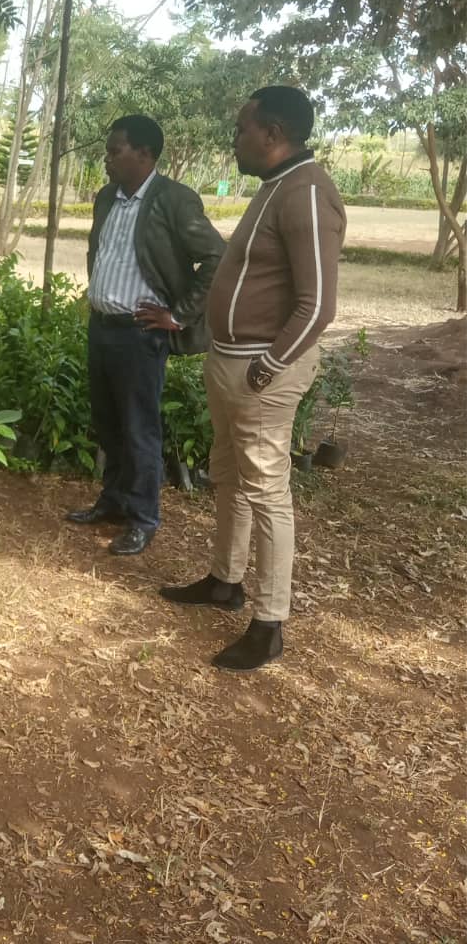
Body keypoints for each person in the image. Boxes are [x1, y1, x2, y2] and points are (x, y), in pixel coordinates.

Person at [160, 86, 346, 671]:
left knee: (266, 489)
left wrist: (270, 364)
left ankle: (269, 624)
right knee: (230, 475)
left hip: (263, 368)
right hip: (233, 361)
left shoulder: (309, 194)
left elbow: (318, 306)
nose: (234, 139)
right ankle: (224, 581)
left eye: (241, 129)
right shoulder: (277, 186)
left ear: (272, 133)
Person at [65, 115, 225, 555]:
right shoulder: (105, 199)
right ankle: (113, 501)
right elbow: (101, 253)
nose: (107, 158)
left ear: (146, 154)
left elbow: (217, 257)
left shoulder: (173, 200)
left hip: (140, 333)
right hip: (102, 327)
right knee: (108, 422)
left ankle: (143, 517)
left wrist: (179, 315)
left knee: (139, 428)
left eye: (115, 150)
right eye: (108, 150)